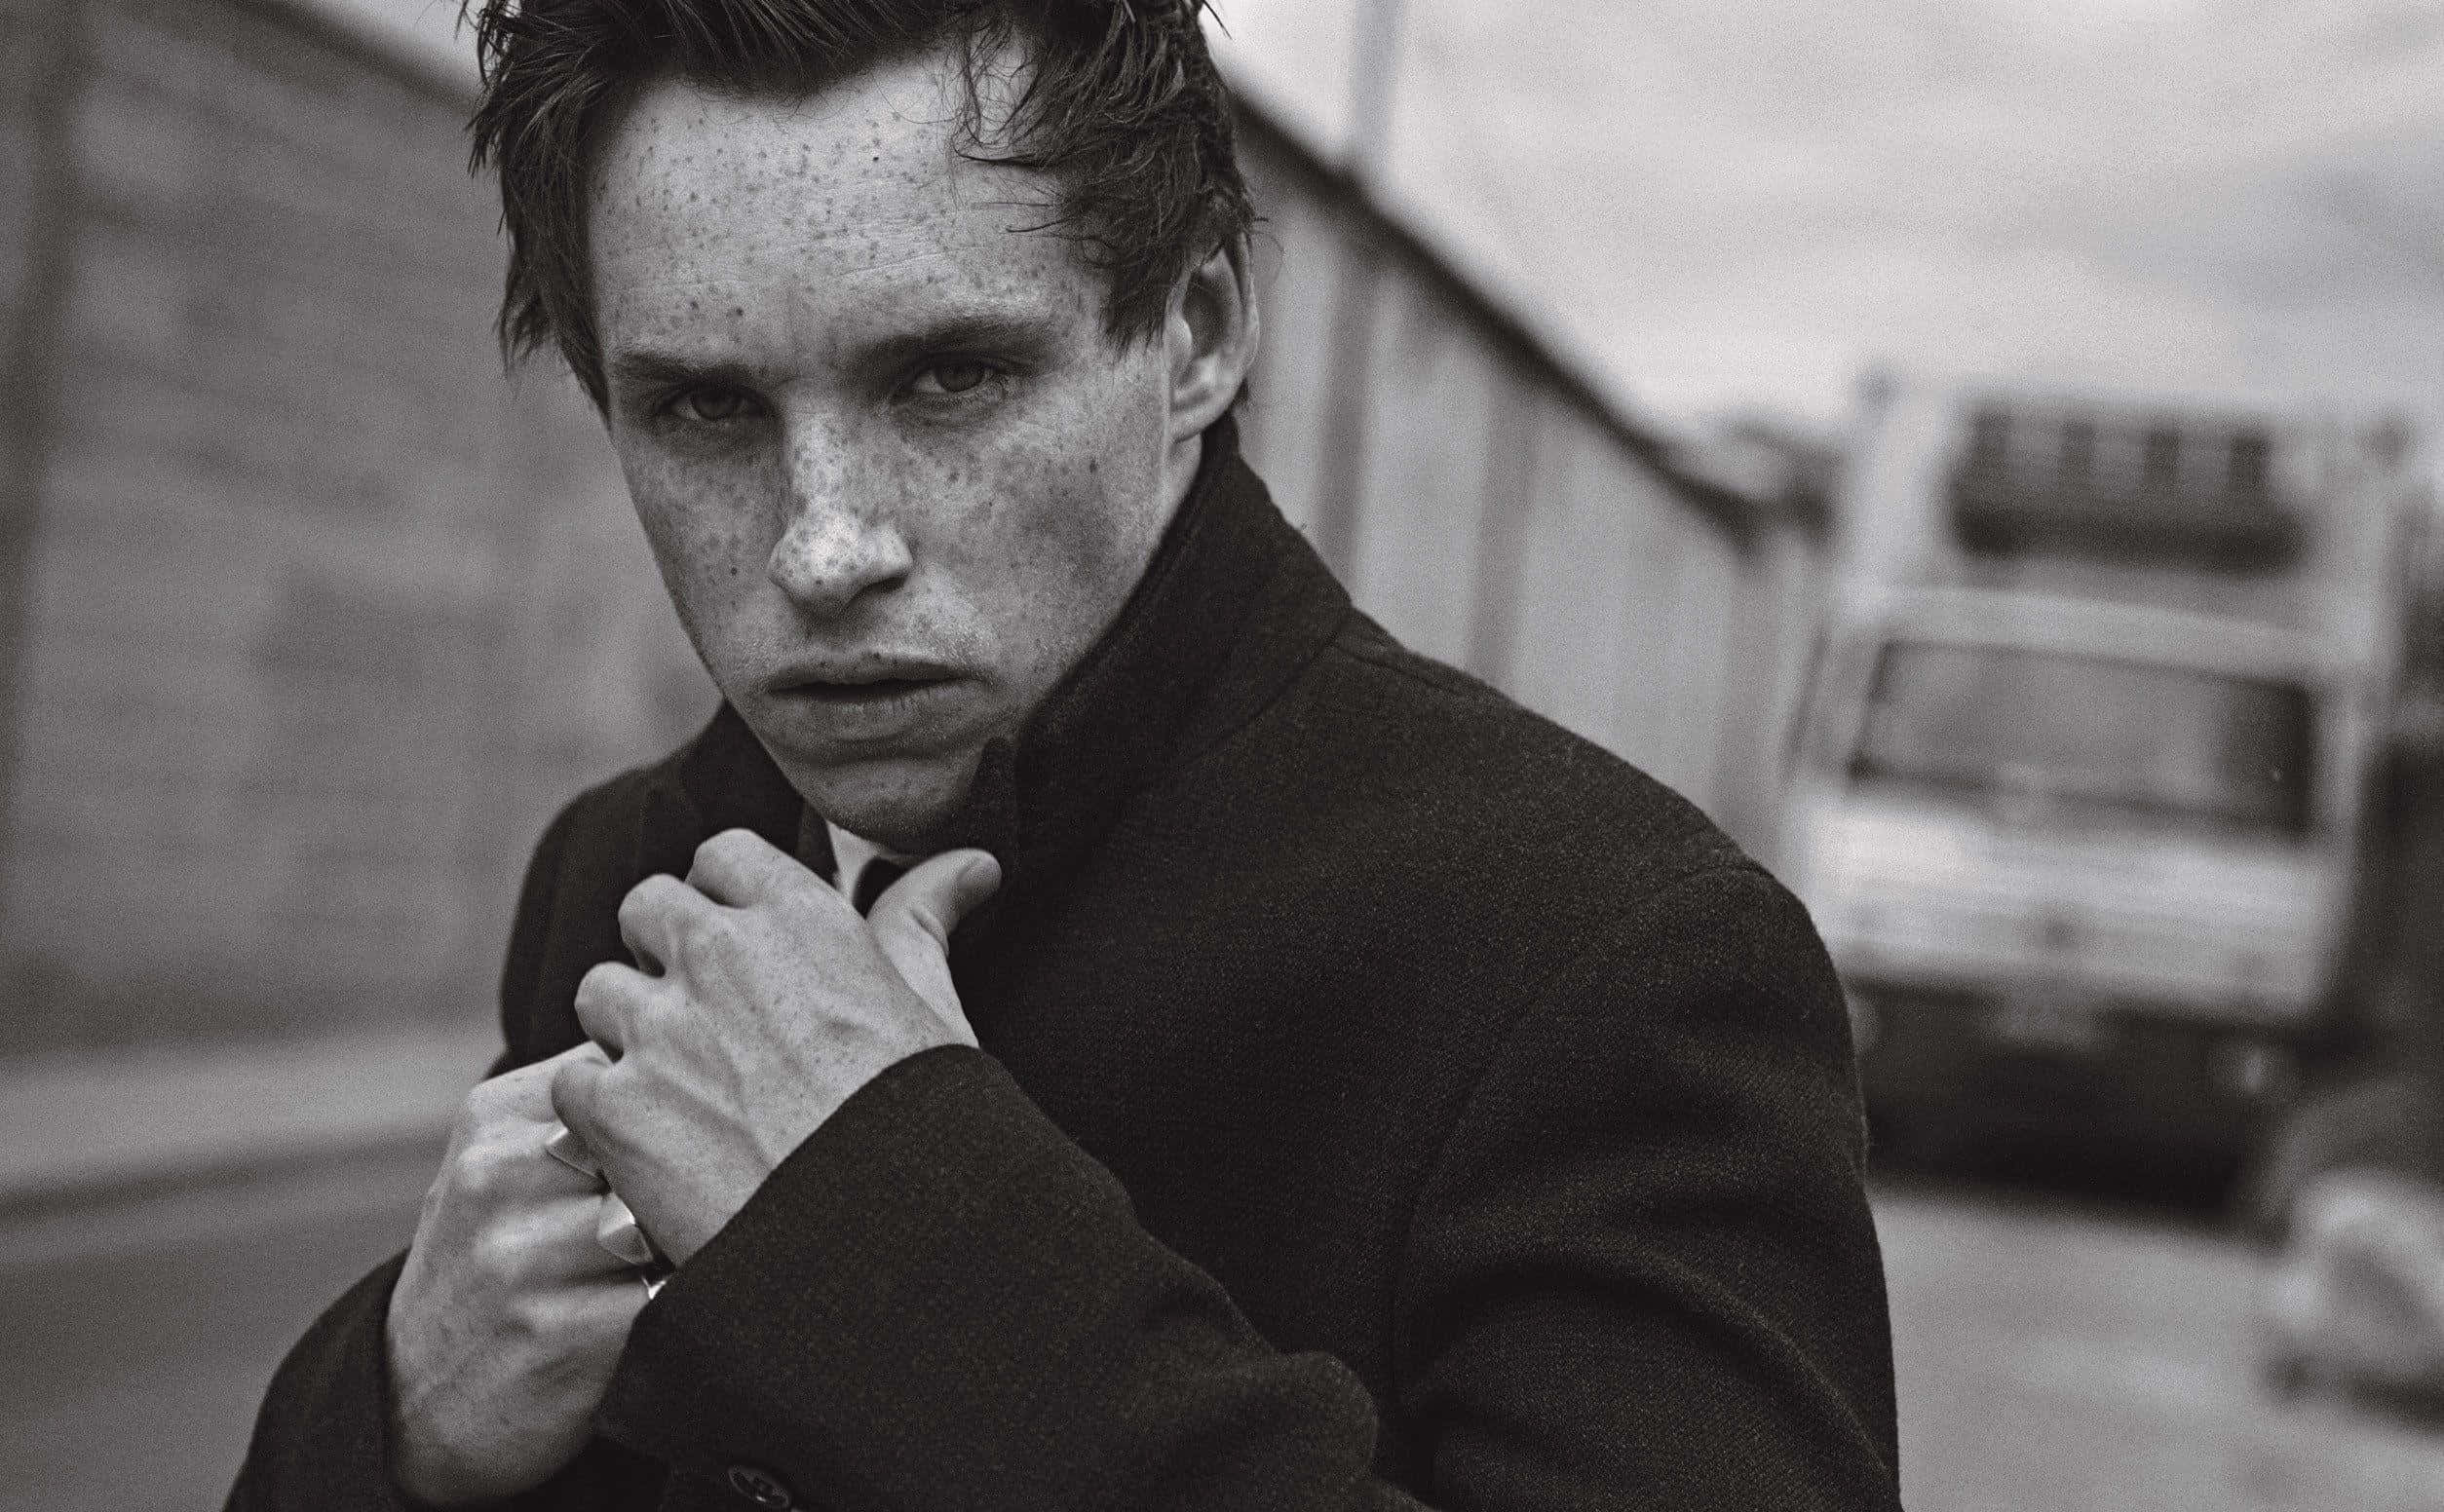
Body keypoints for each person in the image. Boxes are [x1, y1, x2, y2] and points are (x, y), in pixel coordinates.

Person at [227, 2, 1902, 1507]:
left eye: (949, 378)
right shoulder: (625, 874)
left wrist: (897, 1249)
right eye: (707, 411)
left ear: (1196, 334)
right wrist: (391, 1420)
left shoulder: (1606, 957)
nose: (824, 546)